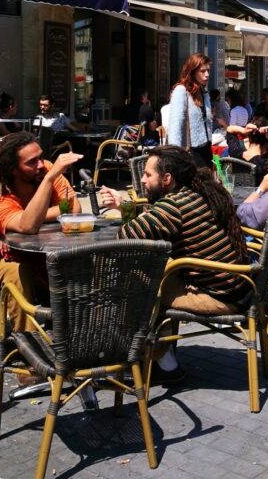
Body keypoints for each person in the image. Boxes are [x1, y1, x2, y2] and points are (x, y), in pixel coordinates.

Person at [101, 146, 249, 383]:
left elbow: (126, 237)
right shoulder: (198, 192)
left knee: (140, 283)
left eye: (148, 175)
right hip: (239, 287)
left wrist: (127, 209)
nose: (142, 179)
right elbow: (155, 219)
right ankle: (162, 359)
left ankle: (156, 364)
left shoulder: (173, 207)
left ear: (167, 179)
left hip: (220, 297)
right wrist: (127, 206)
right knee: (155, 271)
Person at [0, 131, 83, 332]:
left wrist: (35, 215)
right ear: (14, 170)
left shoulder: (43, 169)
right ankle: (27, 341)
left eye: (41, 157)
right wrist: (48, 182)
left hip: (41, 249)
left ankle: (73, 331)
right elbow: (28, 226)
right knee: (17, 272)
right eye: (32, 162)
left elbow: (73, 209)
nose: (41, 164)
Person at [166, 54, 214, 169]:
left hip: (206, 149)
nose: (207, 74)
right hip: (190, 150)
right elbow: (175, 125)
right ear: (192, 72)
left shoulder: (203, 92)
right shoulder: (181, 91)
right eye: (202, 71)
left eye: (208, 70)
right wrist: (175, 155)